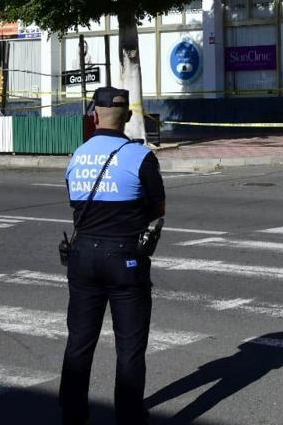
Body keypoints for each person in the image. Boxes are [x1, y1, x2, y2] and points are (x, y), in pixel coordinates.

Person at [60, 87, 166, 425]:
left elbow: (74, 203)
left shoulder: (78, 155)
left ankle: (73, 416)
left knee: (79, 342)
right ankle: (130, 417)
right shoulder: (141, 157)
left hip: (83, 255)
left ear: (94, 115)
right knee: (129, 347)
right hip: (125, 258)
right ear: (129, 118)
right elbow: (157, 207)